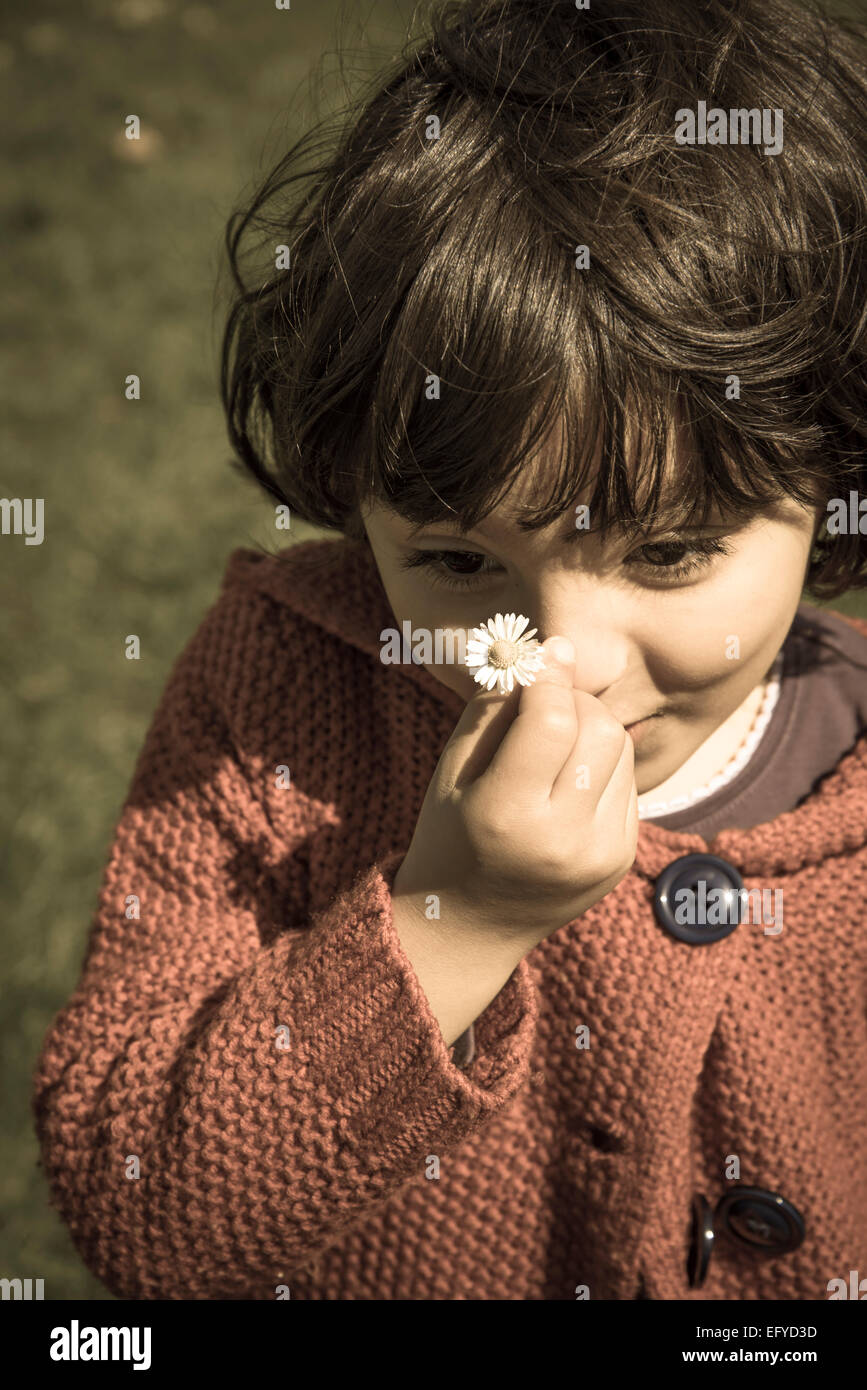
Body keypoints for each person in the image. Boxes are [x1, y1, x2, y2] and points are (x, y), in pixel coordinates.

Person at [33, 0, 867, 1300]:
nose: (565, 656)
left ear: (831, 476)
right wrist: (447, 921)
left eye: (668, 555)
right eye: (464, 562)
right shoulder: (277, 701)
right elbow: (141, 1207)